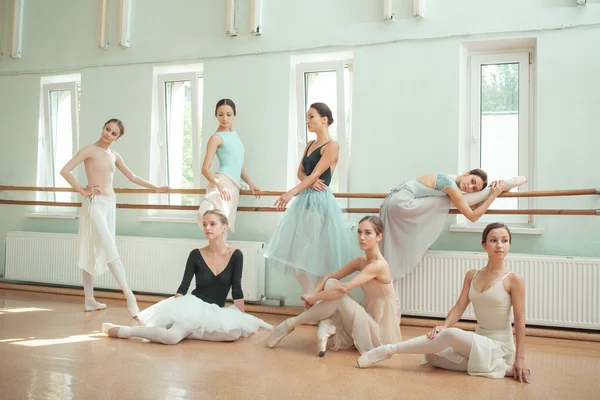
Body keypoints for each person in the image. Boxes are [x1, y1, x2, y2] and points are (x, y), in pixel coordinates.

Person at [358, 222, 531, 384]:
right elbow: (459, 306)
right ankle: (500, 368)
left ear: (509, 245)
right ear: (484, 245)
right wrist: (444, 325)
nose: (499, 245)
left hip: (500, 345)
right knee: (432, 356)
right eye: (493, 240)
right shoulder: (473, 275)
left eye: (504, 241)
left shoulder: (513, 279)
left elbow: (520, 321)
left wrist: (520, 359)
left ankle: (389, 350)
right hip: (479, 338)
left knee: (451, 335)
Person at [102, 210, 272, 344]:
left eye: (213, 224)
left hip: (215, 310)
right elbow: (184, 286)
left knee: (234, 333)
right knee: (171, 338)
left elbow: (236, 288)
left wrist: (241, 319)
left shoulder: (236, 255)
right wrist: (175, 309)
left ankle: (189, 333)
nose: (208, 228)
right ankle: (125, 331)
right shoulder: (196, 255)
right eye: (205, 224)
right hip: (194, 305)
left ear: (224, 227)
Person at [60, 118, 168, 317]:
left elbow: (132, 177)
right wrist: (82, 190)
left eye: (113, 133)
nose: (108, 134)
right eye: (107, 129)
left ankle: (89, 300)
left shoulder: (114, 155)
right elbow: (65, 170)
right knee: (109, 248)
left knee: (95, 250)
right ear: (103, 128)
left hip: (110, 205)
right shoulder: (89, 150)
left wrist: (156, 188)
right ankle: (129, 295)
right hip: (95, 206)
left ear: (117, 138)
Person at [266, 216, 401, 357]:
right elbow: (328, 278)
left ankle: (291, 323)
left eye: (368, 233)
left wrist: (313, 298)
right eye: (359, 232)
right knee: (332, 284)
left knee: (339, 295)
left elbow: (344, 289)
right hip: (366, 317)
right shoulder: (361, 261)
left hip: (378, 330)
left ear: (379, 236)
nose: (362, 237)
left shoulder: (379, 266)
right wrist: (312, 295)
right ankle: (324, 324)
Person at [264, 102, 359, 295]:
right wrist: (308, 181)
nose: (307, 121)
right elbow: (301, 172)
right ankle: (313, 298)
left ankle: (314, 299)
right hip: (305, 199)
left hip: (318, 202)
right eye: (307, 117)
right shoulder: (309, 144)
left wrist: (292, 192)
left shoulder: (332, 146)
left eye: (311, 116)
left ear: (324, 119)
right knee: (293, 255)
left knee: (313, 257)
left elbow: (315, 174)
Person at [379, 171, 527, 292]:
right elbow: (472, 216)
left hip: (396, 202)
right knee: (445, 202)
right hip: (402, 203)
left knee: (451, 202)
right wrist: (493, 195)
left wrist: (498, 189)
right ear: (467, 173)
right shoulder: (448, 183)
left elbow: (523, 178)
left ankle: (384, 288)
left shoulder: (451, 183)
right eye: (472, 181)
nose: (469, 186)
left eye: (474, 189)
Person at [197, 99, 260, 233]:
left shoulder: (235, 135)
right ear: (216, 115)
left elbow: (237, 164)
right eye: (220, 114)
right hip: (222, 183)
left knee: (222, 228)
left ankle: (221, 254)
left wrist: (250, 183)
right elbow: (205, 169)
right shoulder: (216, 138)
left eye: (228, 114)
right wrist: (219, 185)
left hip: (233, 186)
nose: (224, 118)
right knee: (215, 226)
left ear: (234, 115)